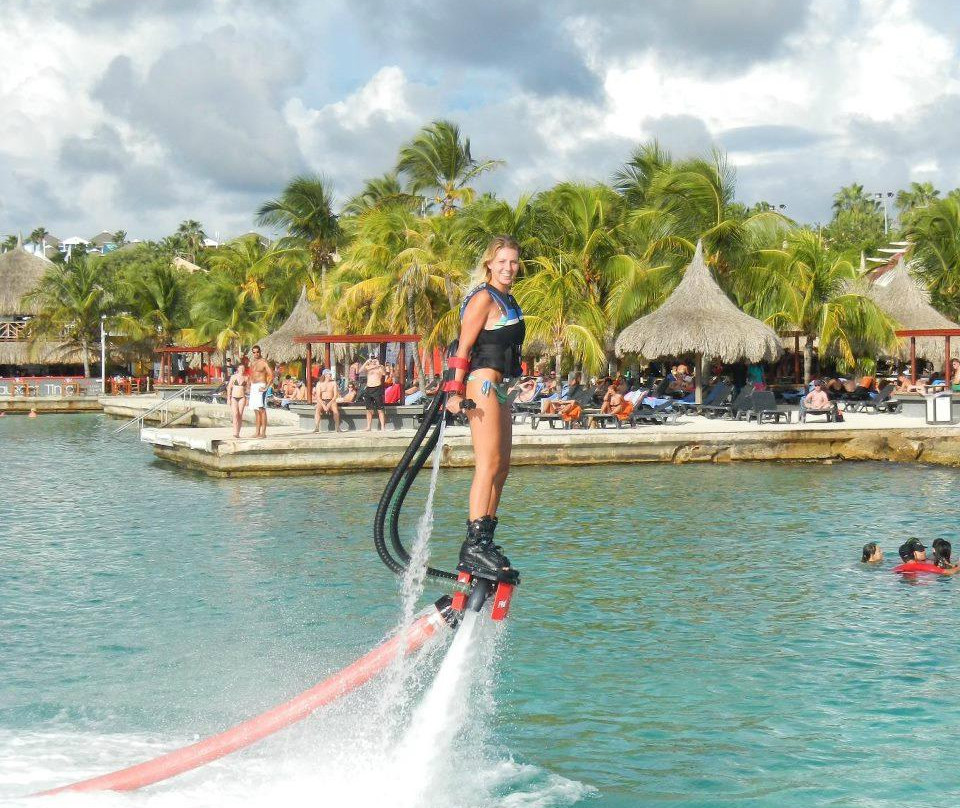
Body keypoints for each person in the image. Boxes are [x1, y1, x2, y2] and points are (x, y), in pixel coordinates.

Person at [444, 235, 524, 575]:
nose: (508, 267)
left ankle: (486, 541)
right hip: (482, 384)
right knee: (487, 464)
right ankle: (474, 545)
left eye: (514, 261)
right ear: (489, 263)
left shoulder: (509, 300)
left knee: (502, 467)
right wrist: (453, 392)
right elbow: (462, 349)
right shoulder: (483, 298)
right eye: (502, 261)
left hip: (502, 388)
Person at [248, 345, 273, 438]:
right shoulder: (252, 363)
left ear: (260, 352)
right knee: (256, 410)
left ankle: (263, 433)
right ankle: (257, 432)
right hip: (254, 387)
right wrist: (248, 385)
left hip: (261, 386)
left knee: (262, 409)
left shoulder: (264, 362)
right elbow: (251, 375)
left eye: (257, 352)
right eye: (254, 352)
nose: (256, 354)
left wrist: (266, 387)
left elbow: (272, 375)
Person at [361, 356, 387, 431]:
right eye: (372, 360)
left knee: (380, 409)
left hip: (377, 388)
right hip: (369, 388)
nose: (373, 361)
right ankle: (368, 427)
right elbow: (360, 371)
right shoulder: (368, 367)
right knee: (368, 409)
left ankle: (382, 427)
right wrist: (366, 362)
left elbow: (384, 373)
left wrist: (378, 364)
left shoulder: (380, 367)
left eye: (374, 359)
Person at [225, 364, 249, 438]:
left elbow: (248, 389)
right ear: (238, 369)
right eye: (240, 368)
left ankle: (238, 433)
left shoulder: (246, 377)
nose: (242, 370)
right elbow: (229, 387)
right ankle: (235, 432)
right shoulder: (233, 377)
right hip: (234, 397)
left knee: (240, 415)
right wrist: (228, 398)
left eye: (243, 368)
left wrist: (248, 398)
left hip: (242, 397)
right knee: (235, 414)